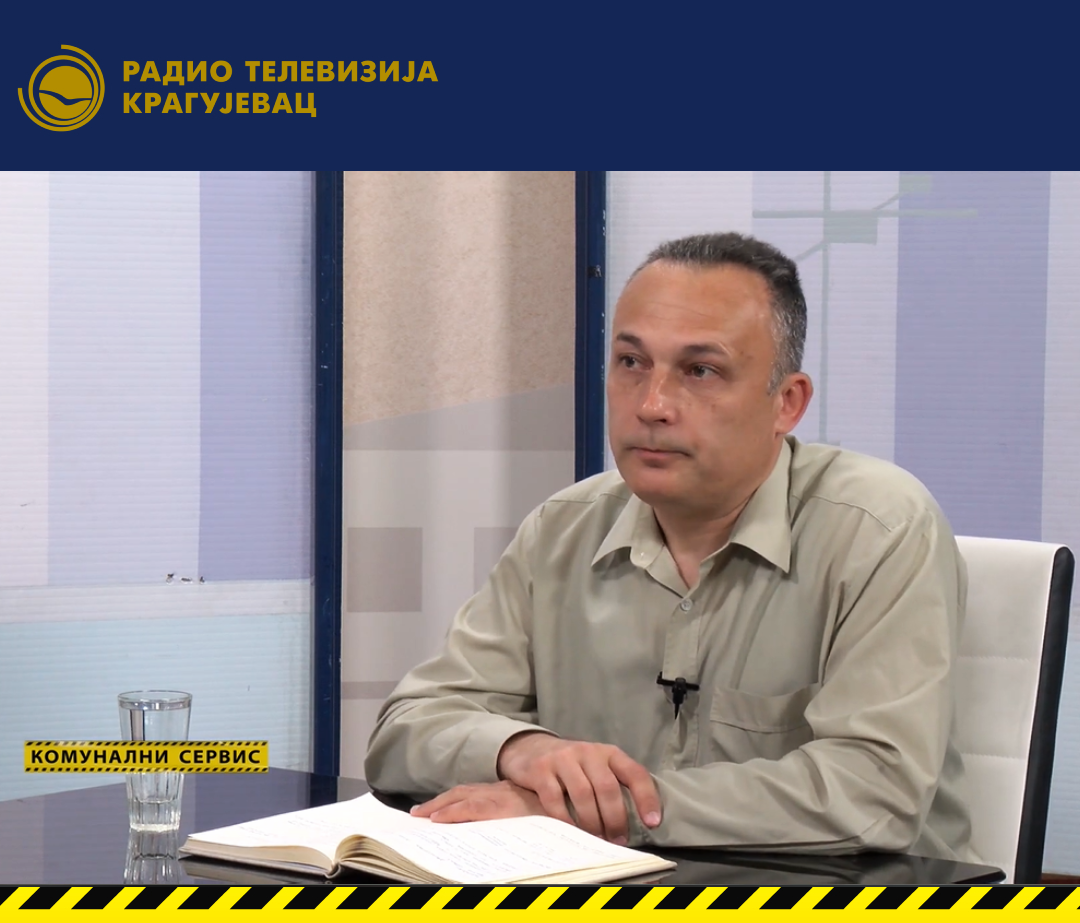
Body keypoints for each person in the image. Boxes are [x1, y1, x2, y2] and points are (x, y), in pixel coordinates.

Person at [364, 231, 972, 860]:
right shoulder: (562, 529)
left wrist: (592, 810)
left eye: (700, 371)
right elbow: (408, 729)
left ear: (786, 403)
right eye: (631, 363)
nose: (652, 405)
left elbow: (873, 792)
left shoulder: (879, 529)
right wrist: (521, 751)